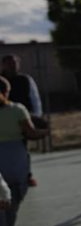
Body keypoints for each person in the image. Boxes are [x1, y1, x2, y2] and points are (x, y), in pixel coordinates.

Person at [0, 76, 48, 226]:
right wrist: (45, 132)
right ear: (7, 91)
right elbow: (31, 133)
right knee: (13, 198)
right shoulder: (18, 110)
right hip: (14, 157)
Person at [2, 54, 44, 189]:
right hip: (3, 119)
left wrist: (36, 115)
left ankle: (27, 175)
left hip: (21, 118)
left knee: (22, 149)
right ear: (3, 65)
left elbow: (34, 97)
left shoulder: (25, 79)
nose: (12, 65)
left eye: (15, 63)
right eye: (9, 63)